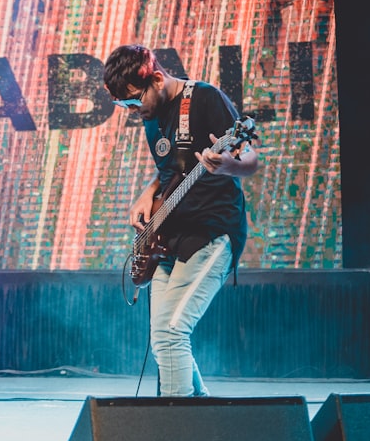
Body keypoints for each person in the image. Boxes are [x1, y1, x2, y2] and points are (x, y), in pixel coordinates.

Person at [103, 44, 259, 397]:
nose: (132, 110)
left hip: (212, 233)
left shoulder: (204, 98)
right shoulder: (152, 117)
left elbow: (250, 158)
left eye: (133, 101)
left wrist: (227, 165)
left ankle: (173, 434)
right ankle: (198, 413)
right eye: (124, 106)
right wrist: (148, 190)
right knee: (163, 339)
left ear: (156, 79)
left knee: (171, 332)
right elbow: (173, 171)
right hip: (167, 239)